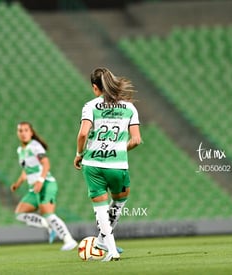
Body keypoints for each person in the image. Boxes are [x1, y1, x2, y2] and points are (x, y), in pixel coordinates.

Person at [74, 67, 142, 261]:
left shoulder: (90, 106)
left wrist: (79, 153)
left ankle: (106, 244)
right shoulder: (129, 108)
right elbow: (136, 140)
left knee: (100, 208)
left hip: (92, 163)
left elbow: (83, 134)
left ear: (95, 87)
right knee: (119, 202)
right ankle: (107, 245)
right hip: (117, 165)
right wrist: (120, 148)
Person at [11, 122, 77, 250]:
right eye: (20, 130)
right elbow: (26, 170)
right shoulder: (20, 150)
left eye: (26, 130)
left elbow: (46, 164)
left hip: (46, 184)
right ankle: (47, 225)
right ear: (17, 133)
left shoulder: (35, 146)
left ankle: (69, 240)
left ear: (31, 132)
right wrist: (17, 184)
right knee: (19, 213)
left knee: (48, 213)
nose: (23, 133)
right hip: (34, 189)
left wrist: (41, 180)